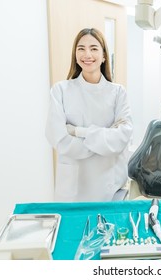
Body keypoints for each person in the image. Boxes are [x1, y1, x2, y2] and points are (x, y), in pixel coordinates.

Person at [45, 28, 133, 202]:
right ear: (75, 55)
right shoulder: (60, 90)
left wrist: (78, 132)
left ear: (104, 56)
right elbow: (58, 137)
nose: (87, 54)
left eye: (94, 48)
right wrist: (103, 142)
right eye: (81, 48)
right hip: (73, 185)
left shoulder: (118, 93)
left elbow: (121, 137)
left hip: (108, 182)